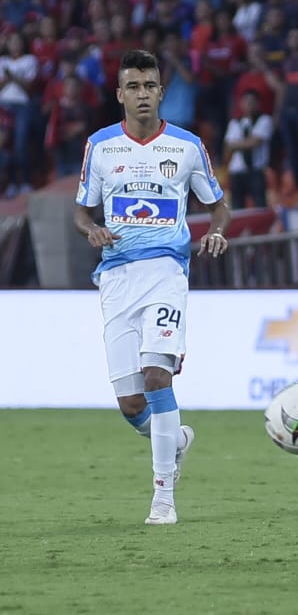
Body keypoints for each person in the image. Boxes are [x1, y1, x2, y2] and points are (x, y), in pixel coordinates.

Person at [73, 49, 231, 525]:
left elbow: (217, 203)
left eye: (150, 86)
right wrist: (91, 230)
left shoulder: (185, 146)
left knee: (158, 377)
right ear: (120, 94)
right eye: (134, 87)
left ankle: (163, 500)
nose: (143, 95)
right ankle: (175, 438)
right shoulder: (100, 146)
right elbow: (82, 209)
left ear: (162, 92)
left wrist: (217, 230)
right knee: (130, 403)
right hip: (116, 278)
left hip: (165, 272)